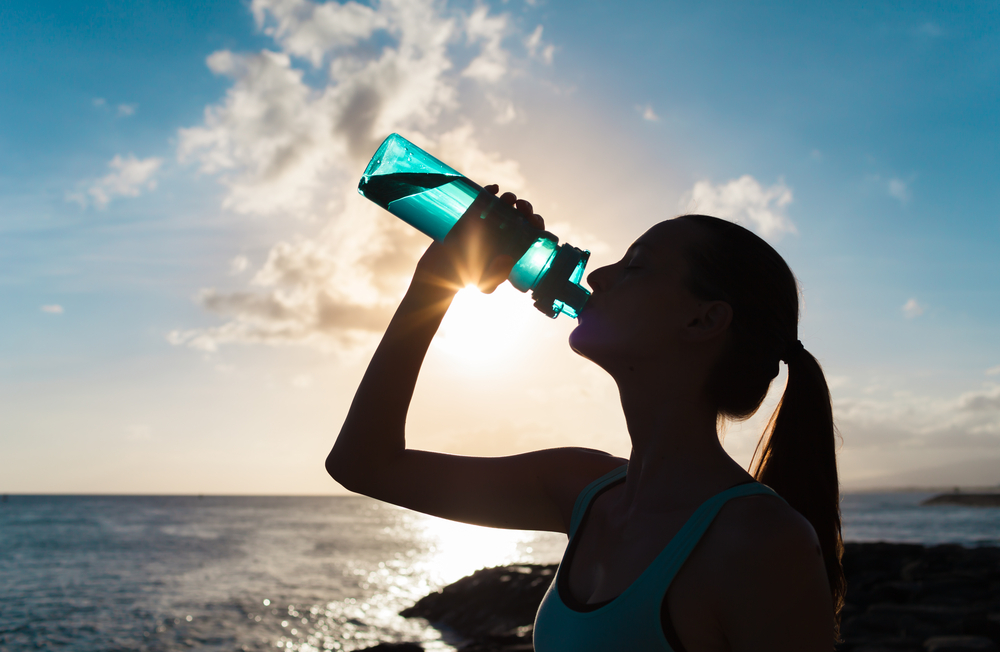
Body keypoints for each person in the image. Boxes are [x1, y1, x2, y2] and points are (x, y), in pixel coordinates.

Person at [327, 185, 844, 651]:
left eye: (636, 265)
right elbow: (363, 464)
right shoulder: (580, 488)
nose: (598, 274)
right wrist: (436, 284)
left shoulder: (761, 542)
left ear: (704, 318)